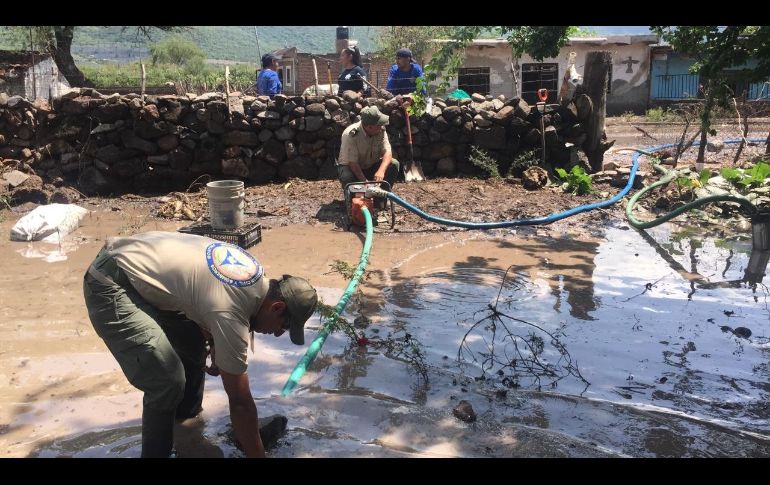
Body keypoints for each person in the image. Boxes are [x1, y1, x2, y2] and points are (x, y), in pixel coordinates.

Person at [82, 231, 318, 458]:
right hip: (112, 282)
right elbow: (240, 402)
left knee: (194, 347)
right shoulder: (231, 312)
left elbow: (201, 295)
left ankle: (186, 426)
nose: (277, 335)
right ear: (276, 307)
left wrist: (214, 340)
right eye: (282, 327)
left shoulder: (253, 274)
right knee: (167, 381)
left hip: (143, 270)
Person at [336, 105, 399, 191]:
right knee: (347, 177)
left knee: (394, 164)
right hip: (351, 168)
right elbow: (353, 164)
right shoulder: (350, 135)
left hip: (370, 166)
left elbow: (387, 152)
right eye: (379, 124)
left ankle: (381, 196)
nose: (381, 126)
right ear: (369, 127)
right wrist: (365, 183)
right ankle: (354, 199)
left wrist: (381, 171)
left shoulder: (380, 130)